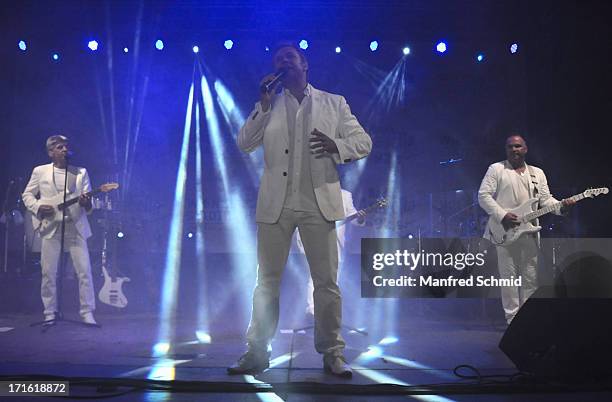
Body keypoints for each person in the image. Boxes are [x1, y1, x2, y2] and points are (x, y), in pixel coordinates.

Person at [229, 43, 372, 377]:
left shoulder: (333, 103)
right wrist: (263, 107)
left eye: (288, 58)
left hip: (318, 203)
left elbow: (363, 142)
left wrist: (338, 146)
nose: (282, 63)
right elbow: (244, 143)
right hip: (276, 205)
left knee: (326, 283)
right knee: (266, 281)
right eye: (278, 60)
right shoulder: (269, 105)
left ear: (304, 64)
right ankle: (257, 351)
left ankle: (333, 353)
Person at [478, 135, 574, 324]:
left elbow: (545, 200)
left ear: (525, 149)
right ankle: (512, 321)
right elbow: (483, 196)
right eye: (510, 147)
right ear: (506, 150)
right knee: (509, 279)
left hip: (529, 234)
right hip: (504, 232)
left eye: (518, 146)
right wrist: (503, 215)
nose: (514, 149)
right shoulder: (496, 169)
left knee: (530, 278)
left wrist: (562, 206)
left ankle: (527, 321)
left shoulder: (537, 173)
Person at [22, 135, 97, 325]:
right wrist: (38, 207)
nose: (64, 150)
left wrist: (86, 203)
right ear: (50, 152)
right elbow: (27, 194)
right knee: (49, 272)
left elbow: (88, 204)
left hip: (75, 225)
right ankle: (49, 312)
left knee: (84, 271)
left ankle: (87, 312)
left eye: (66, 147)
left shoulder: (80, 172)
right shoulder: (40, 171)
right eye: (59, 147)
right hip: (50, 226)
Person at [296, 188, 365, 316]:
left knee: (333, 278)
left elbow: (354, 217)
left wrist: (360, 218)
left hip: (335, 243)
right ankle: (313, 310)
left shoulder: (345, 195)